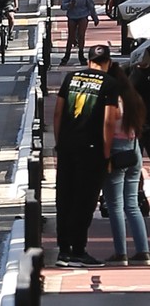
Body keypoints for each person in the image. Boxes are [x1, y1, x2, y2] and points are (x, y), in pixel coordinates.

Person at [54, 44, 119, 267]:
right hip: (91, 149)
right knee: (85, 200)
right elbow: (109, 121)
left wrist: (59, 142)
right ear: (107, 62)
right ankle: (79, 250)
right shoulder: (110, 83)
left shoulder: (71, 78)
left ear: (89, 60)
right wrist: (106, 153)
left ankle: (63, 251)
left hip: (67, 146)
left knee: (64, 197)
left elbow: (58, 112)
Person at [103, 72, 150, 266]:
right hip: (134, 150)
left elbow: (107, 125)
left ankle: (120, 253)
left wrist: (105, 155)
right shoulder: (134, 100)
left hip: (116, 151)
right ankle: (143, 250)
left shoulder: (114, 102)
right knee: (131, 204)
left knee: (114, 205)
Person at [60, 0, 99, 66]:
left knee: (81, 35)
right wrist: (70, 4)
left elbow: (91, 7)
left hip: (83, 16)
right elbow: (63, 6)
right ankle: (67, 55)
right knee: (71, 36)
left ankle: (81, 54)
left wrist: (95, 18)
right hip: (72, 16)